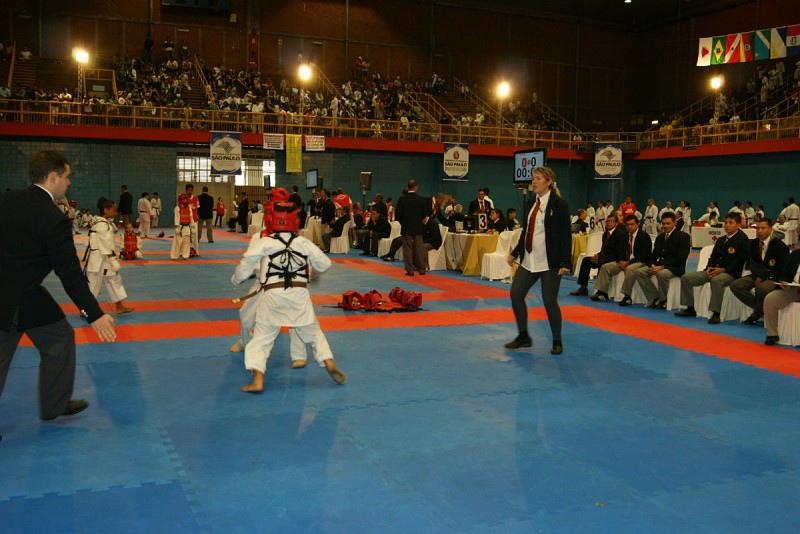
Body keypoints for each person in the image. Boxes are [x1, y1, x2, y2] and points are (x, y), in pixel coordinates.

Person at [0, 150, 116, 433]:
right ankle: (54, 403)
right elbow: (70, 275)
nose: (69, 182)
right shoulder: (53, 219)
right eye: (66, 177)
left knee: (60, 338)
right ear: (53, 177)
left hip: (26, 293)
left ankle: (55, 403)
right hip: (14, 299)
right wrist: (95, 314)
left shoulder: (6, 200)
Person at [231, 202, 346, 392]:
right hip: (299, 295)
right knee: (314, 333)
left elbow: (245, 265)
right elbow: (325, 264)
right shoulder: (303, 242)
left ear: (272, 221)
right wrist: (312, 269)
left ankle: (257, 380)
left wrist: (236, 280)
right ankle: (328, 363)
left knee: (261, 338)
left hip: (273, 295)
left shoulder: (264, 242)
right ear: (295, 222)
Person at [505, 166, 570, 354]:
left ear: (548, 182)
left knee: (549, 301)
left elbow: (565, 235)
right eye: (533, 178)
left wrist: (565, 262)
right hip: (529, 259)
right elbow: (526, 231)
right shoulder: (531, 203)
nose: (534, 182)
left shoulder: (559, 204)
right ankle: (523, 336)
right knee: (516, 294)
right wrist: (515, 252)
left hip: (550, 262)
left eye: (538, 178)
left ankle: (557, 341)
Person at [674, 212, 749, 324]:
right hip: (713, 270)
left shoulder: (743, 240)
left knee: (716, 280)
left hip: (730, 273)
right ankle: (690, 308)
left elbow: (740, 261)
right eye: (726, 223)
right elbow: (713, 256)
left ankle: (716, 313)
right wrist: (709, 268)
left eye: (731, 223)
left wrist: (723, 270)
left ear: (738, 225)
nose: (727, 225)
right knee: (686, 278)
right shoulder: (721, 239)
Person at [730, 218, 789, 325]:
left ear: (770, 229)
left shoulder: (780, 246)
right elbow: (753, 264)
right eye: (757, 228)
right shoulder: (753, 243)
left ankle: (755, 315)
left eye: (763, 228)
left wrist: (762, 277)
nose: (760, 231)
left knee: (761, 289)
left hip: (774, 278)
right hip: (756, 275)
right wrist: (758, 276)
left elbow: (781, 269)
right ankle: (761, 308)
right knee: (736, 285)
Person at [84, 197, 135, 315]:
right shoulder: (102, 224)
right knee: (93, 284)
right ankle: (85, 308)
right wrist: (112, 259)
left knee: (113, 279)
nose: (115, 213)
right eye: (113, 210)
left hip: (103, 258)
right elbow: (105, 243)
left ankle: (119, 306)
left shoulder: (101, 222)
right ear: (105, 210)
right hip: (100, 258)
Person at [631, 212, 691, 309]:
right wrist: (652, 264)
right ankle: (654, 297)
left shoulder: (683, 237)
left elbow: (681, 258)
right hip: (659, 266)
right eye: (663, 223)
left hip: (675, 268)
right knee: (640, 272)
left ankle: (664, 300)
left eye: (668, 223)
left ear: (675, 223)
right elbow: (653, 256)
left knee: (661, 274)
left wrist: (662, 267)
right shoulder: (660, 237)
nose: (665, 226)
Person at [592, 215, 652, 304]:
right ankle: (602, 292)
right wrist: (621, 261)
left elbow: (645, 255)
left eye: (632, 224)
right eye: (627, 225)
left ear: (637, 224)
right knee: (606, 267)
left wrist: (629, 262)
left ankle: (627, 296)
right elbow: (620, 251)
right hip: (625, 261)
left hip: (639, 261)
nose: (629, 227)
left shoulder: (644, 236)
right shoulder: (624, 235)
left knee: (630, 269)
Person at [570, 213, 626, 296]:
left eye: (611, 221)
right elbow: (603, 249)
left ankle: (600, 291)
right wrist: (597, 255)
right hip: (603, 257)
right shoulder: (605, 234)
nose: (608, 223)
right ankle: (583, 287)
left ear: (616, 223)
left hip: (614, 259)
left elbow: (618, 253)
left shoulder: (620, 234)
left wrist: (599, 258)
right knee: (586, 260)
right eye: (607, 221)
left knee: (601, 263)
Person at [763, 249, 800, 345]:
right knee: (770, 299)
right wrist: (784, 282)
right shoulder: (795, 254)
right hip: (794, 288)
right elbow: (784, 274)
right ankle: (772, 334)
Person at [394, 179, 429, 276]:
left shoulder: (402, 199)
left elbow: (398, 215)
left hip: (406, 228)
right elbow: (424, 216)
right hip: (418, 228)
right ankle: (422, 268)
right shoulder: (421, 199)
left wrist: (404, 223)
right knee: (419, 249)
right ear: (416, 187)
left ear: (408, 187)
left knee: (407, 249)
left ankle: (410, 270)